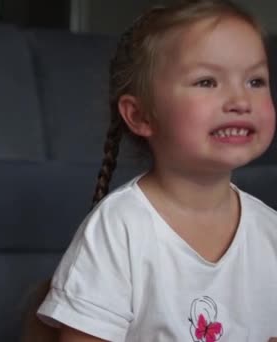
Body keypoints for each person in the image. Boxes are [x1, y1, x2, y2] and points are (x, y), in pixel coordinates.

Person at [36, 0, 277, 341]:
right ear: (140, 116)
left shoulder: (270, 232)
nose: (240, 99)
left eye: (256, 81)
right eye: (207, 81)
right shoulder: (120, 227)